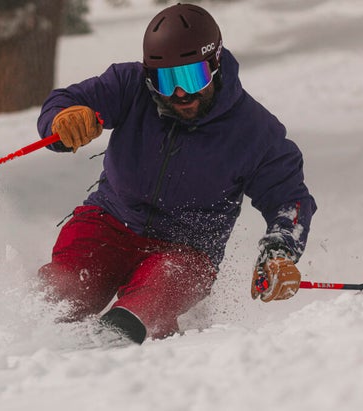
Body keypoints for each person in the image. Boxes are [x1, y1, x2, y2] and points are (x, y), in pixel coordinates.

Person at [36, 3, 316, 344]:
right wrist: (63, 119)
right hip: (109, 223)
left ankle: (121, 341)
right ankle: (4, 345)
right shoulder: (129, 86)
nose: (180, 93)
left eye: (191, 77)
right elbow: (65, 101)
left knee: (155, 292)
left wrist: (279, 252)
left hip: (185, 251)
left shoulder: (254, 131)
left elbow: (289, 198)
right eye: (166, 81)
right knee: (63, 295)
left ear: (215, 65)